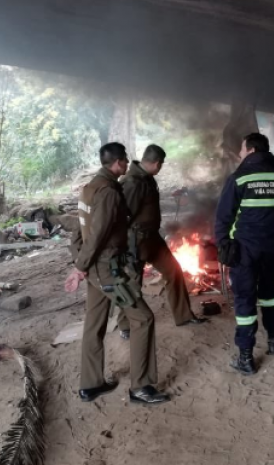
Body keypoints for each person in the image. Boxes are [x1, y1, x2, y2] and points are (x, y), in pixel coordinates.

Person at [69, 142, 170, 405]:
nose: (127, 165)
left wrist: (81, 263)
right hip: (107, 270)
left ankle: (91, 385)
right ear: (118, 163)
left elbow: (80, 231)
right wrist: (80, 267)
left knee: (95, 323)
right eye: (125, 161)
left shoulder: (89, 189)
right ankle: (141, 387)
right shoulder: (110, 192)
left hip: (95, 270)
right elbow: (99, 234)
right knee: (144, 318)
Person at [214, 133, 274, 375]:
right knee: (270, 293)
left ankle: (245, 357)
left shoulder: (240, 177)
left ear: (251, 150)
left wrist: (223, 245)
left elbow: (223, 216)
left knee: (244, 299)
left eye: (242, 149)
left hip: (245, 249)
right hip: (273, 248)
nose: (240, 154)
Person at [117, 144, 207, 340]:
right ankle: (125, 325)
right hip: (136, 241)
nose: (161, 167)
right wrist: (123, 246)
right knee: (133, 283)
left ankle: (183, 315)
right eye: (162, 164)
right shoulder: (133, 182)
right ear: (157, 163)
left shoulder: (147, 179)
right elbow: (122, 217)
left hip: (153, 238)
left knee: (173, 271)